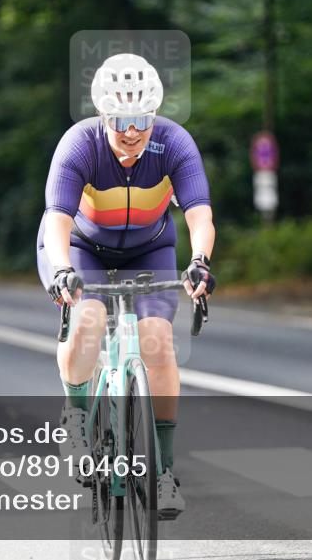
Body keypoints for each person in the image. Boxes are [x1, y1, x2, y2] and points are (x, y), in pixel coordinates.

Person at [37, 53, 216, 518]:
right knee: (90, 317)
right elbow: (57, 218)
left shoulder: (174, 143)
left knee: (157, 341)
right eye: (120, 119)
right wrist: (61, 270)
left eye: (141, 119)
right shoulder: (80, 145)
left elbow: (198, 212)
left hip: (150, 249)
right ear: (103, 114)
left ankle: (163, 471)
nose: (132, 130)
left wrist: (199, 261)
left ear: (153, 114)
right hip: (81, 250)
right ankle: (76, 416)